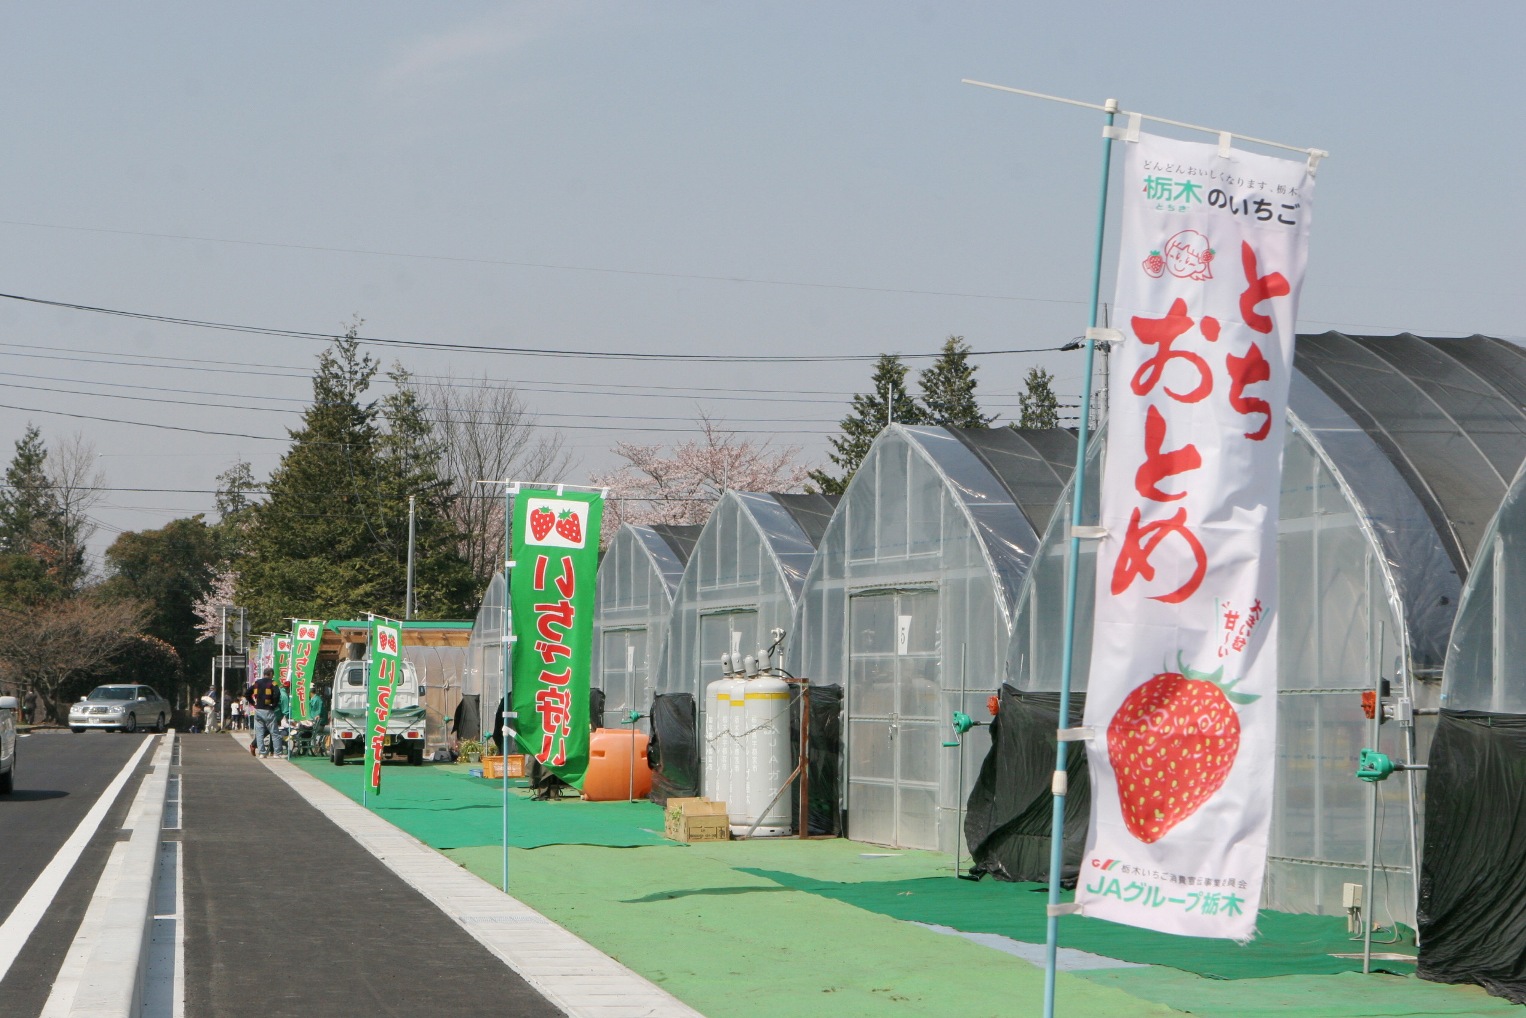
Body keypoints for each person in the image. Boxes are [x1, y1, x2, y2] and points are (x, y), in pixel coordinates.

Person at [248, 668, 282, 758]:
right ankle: (277, 753)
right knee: (274, 732)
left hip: (258, 710)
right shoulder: (273, 683)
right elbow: (277, 694)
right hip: (268, 710)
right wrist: (274, 705)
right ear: (270, 674)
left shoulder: (256, 683)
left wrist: (253, 703)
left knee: (259, 732)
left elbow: (247, 693)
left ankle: (262, 753)